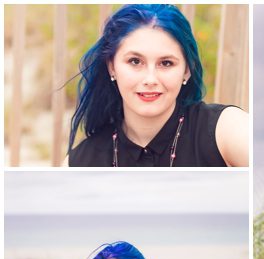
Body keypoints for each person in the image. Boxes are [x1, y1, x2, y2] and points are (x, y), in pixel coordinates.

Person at [67, 4, 248, 167]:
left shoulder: (225, 128)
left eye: (166, 63)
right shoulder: (80, 161)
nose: (150, 79)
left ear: (187, 70)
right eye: (135, 61)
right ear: (112, 67)